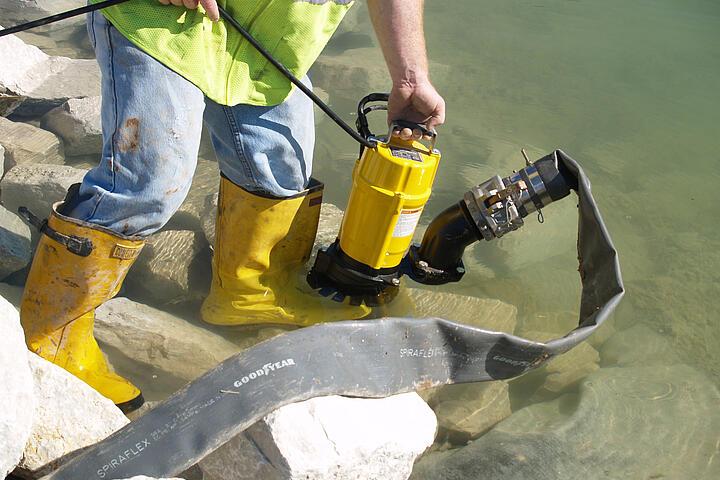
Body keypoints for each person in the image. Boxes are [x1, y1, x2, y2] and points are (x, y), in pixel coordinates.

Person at [19, 0, 446, 414]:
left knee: (281, 172)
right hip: (160, 19)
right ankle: (51, 334)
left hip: (268, 43)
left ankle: (250, 293)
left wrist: (409, 77)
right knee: (148, 184)